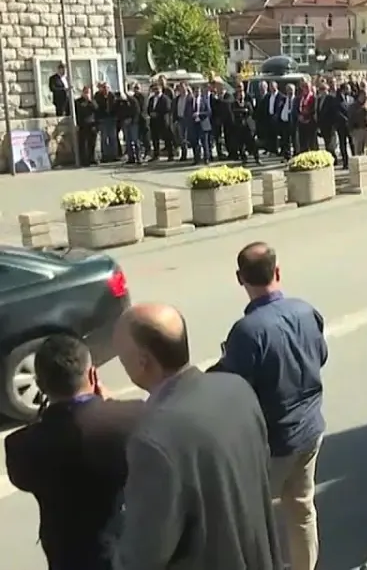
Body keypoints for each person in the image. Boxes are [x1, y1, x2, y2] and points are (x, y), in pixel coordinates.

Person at [111, 303, 282, 570]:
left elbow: (143, 555)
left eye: (122, 358)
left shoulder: (152, 439)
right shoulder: (236, 388)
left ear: (143, 361)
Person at [210, 242, 327, 570]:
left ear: (240, 278)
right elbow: (321, 356)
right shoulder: (307, 311)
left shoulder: (248, 332)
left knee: (249, 522)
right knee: (302, 509)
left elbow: (231, 387)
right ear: (278, 271)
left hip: (272, 444)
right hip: (310, 430)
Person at [5, 335, 144, 570]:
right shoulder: (135, 417)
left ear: (40, 384)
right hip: (129, 552)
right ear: (92, 375)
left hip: (68, 559)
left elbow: (24, 479)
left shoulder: (22, 446)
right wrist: (110, 404)